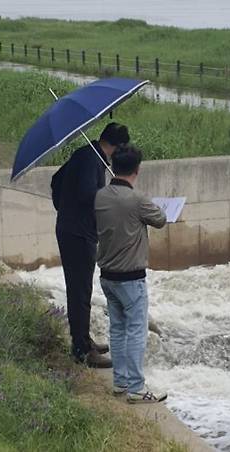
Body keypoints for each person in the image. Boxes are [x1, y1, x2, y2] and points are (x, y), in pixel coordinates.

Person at [51, 122, 129, 368]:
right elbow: (87, 194)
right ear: (117, 146)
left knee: (81, 289)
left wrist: (64, 208)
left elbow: (57, 180)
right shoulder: (89, 159)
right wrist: (107, 196)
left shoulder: (89, 155)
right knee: (79, 291)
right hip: (77, 234)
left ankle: (83, 339)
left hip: (75, 230)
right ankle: (81, 350)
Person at [94, 144, 168, 403]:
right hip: (131, 278)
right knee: (137, 330)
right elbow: (160, 219)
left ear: (113, 166)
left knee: (117, 328)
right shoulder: (137, 200)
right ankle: (137, 388)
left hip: (107, 275)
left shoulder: (100, 196)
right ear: (137, 169)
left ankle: (120, 382)